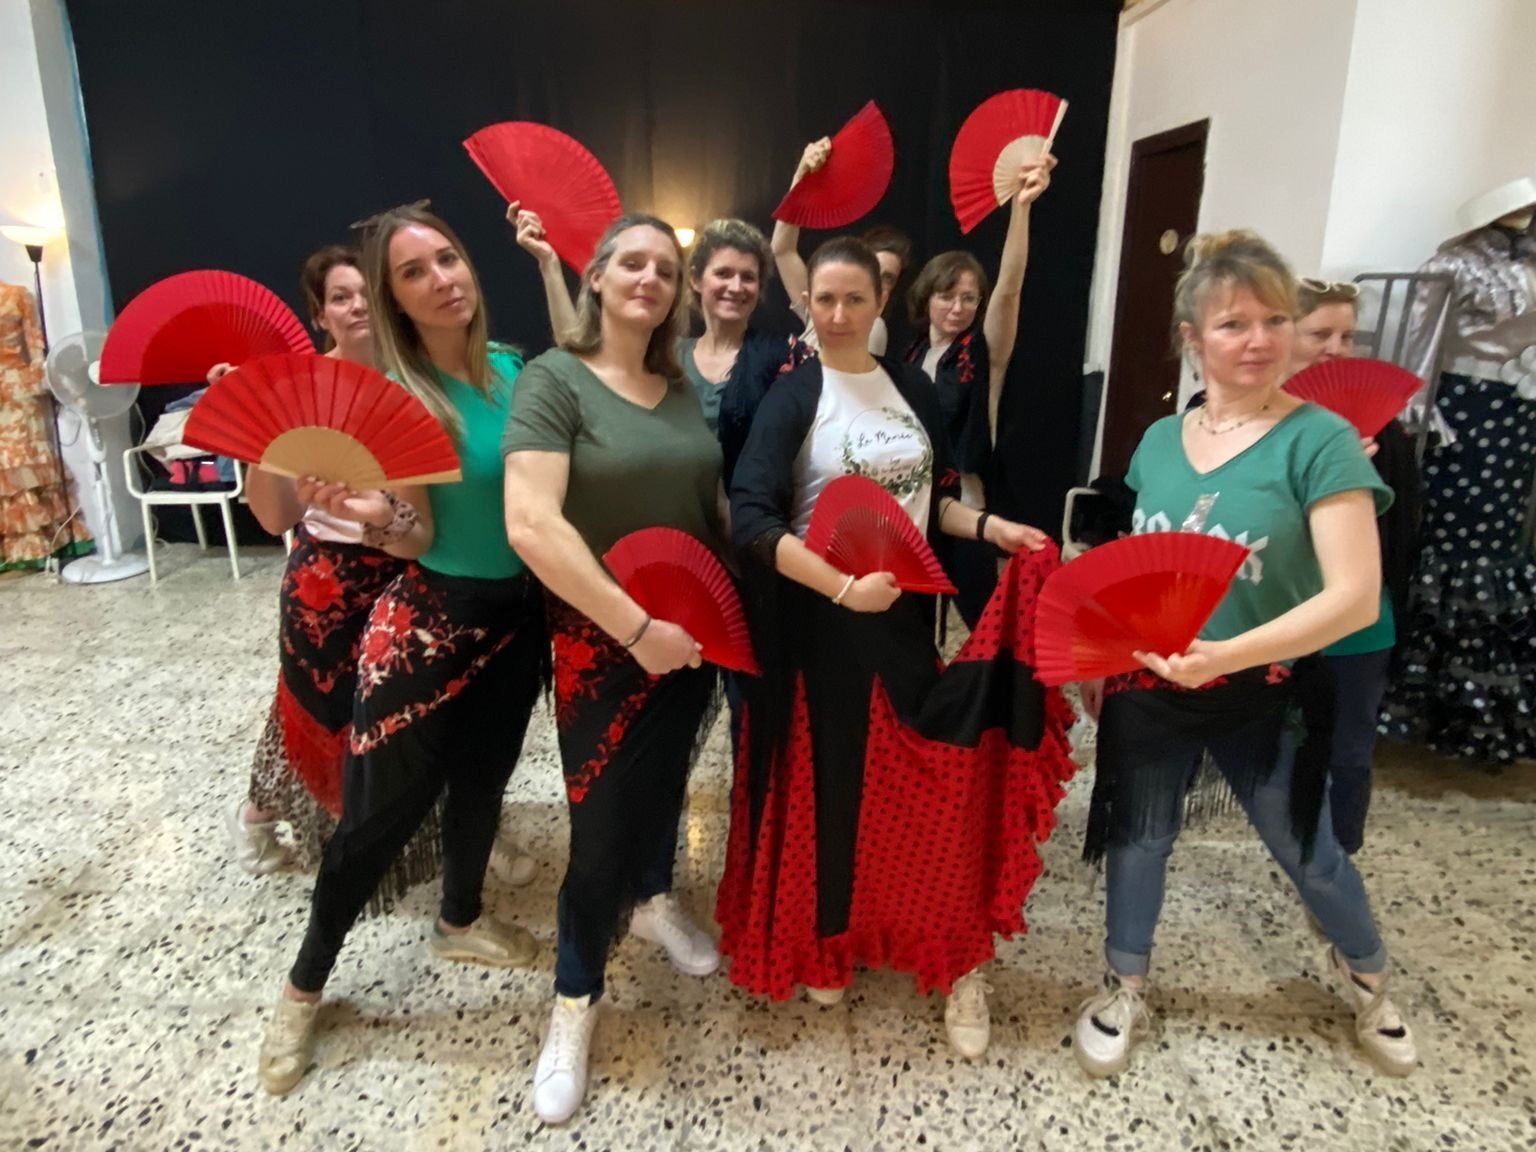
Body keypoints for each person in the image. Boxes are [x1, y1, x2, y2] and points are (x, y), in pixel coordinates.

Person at [719, 236, 1075, 1060]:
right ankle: (831, 939)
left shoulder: (910, 383)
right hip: (823, 627)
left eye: (855, 299)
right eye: (824, 300)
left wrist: (993, 529)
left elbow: (934, 501)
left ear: (883, 303)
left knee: (930, 780)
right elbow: (752, 520)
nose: (838, 314)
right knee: (836, 791)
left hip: (904, 620)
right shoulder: (792, 394)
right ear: (807, 303)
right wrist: (842, 588)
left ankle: (947, 948)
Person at [1071, 231, 1416, 1080]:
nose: (1259, 339)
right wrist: (1095, 655)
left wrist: (1226, 651)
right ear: (1193, 336)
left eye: (1275, 320)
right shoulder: (1158, 441)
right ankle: (1125, 981)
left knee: (1307, 846)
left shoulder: (1321, 442)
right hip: (1152, 684)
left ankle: (1367, 975)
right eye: (1233, 323)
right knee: (1138, 838)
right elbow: (1136, 567)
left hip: (1263, 687)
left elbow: (1352, 596)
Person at [257, 205, 546, 1096]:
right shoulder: (396, 396)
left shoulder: (512, 372)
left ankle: (459, 918)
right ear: (391, 300)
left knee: (486, 781)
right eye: (414, 273)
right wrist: (386, 518)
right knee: (375, 819)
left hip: (520, 617)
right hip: (428, 627)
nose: (442, 280)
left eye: (448, 258)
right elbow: (417, 540)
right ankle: (303, 991)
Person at [503, 213, 723, 1125]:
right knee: (595, 831)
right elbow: (533, 523)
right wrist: (637, 629)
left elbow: (703, 502)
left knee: (667, 785)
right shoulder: (554, 379)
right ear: (595, 277)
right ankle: (573, 998)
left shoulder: (679, 386)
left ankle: (655, 896)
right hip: (604, 640)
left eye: (666, 269)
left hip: (692, 632)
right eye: (631, 262)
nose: (650, 278)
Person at [226, 246, 409, 876]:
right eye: (340, 296)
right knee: (312, 708)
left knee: (404, 712)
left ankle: (412, 827)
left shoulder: (414, 378)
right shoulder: (298, 390)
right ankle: (264, 818)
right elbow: (274, 518)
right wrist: (256, 432)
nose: (357, 305)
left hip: (408, 566)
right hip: (327, 581)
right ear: (320, 315)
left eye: (366, 292)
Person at [1290, 278, 1421, 855]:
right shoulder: (1254, 426)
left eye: (1348, 335)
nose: (1336, 349)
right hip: (1280, 619)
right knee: (1284, 742)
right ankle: (1291, 838)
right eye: (1320, 333)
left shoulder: (1385, 432)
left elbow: (1404, 532)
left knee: (1348, 750)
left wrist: (1358, 481)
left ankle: (1339, 860)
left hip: (1360, 623)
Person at [903, 154, 1056, 627]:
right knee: (913, 623)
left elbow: (1009, 288)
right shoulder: (909, 359)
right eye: (948, 295)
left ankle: (988, 700)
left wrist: (1022, 211)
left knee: (982, 626)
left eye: (969, 297)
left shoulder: (983, 351)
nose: (958, 306)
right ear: (926, 297)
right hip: (913, 504)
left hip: (965, 506)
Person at [770, 137, 912, 358]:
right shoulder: (819, 310)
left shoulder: (873, 329)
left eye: (887, 278)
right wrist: (801, 178)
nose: (877, 281)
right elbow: (782, 249)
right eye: (872, 270)